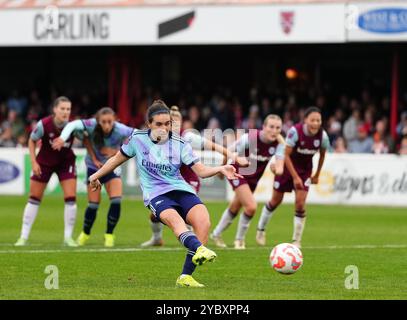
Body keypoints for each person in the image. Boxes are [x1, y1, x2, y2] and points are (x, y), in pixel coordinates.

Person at [88, 100, 242, 288]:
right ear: (149, 124)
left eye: (168, 123)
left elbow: (200, 170)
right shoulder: (137, 139)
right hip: (156, 195)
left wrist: (221, 168)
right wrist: (95, 176)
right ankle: (199, 249)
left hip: (181, 189)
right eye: (159, 124)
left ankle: (185, 276)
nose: (164, 128)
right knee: (177, 223)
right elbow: (115, 160)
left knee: (204, 222)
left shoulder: (180, 143)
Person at [141, 106, 247, 247]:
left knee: (185, 213)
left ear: (181, 122)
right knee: (156, 215)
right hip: (167, 183)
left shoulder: (187, 137)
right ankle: (157, 238)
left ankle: (196, 245)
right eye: (170, 121)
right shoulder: (156, 139)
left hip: (189, 179)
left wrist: (232, 155)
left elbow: (213, 146)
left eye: (176, 120)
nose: (173, 124)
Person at [52, 107, 134, 247]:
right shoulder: (91, 125)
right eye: (104, 122)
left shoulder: (120, 129)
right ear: (98, 121)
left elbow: (138, 135)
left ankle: (109, 234)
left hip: (111, 167)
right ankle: (85, 233)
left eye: (110, 122)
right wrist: (62, 138)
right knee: (93, 205)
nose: (107, 125)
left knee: (116, 201)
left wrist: (117, 150)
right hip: (93, 168)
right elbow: (72, 125)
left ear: (114, 120)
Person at [256, 107, 329, 248]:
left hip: (305, 172)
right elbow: (286, 155)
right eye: (312, 120)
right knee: (275, 201)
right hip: (286, 169)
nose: (315, 123)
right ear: (305, 120)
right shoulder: (295, 132)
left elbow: (322, 155)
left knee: (300, 204)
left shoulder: (323, 136)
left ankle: (296, 240)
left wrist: (317, 174)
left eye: (318, 120)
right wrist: (295, 177)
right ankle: (261, 229)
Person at [210, 115, 285, 249]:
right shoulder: (250, 138)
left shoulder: (279, 144)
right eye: (271, 127)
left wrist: (275, 170)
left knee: (235, 207)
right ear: (264, 127)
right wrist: (222, 169)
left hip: (253, 180)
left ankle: (216, 234)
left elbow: (280, 169)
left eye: (278, 128)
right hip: (237, 173)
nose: (274, 130)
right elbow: (229, 151)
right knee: (251, 207)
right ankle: (239, 240)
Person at [15, 96, 78, 247]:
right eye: (62, 108)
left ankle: (68, 238)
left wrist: (94, 156)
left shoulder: (74, 126)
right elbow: (31, 140)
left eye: (68, 109)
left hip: (66, 162)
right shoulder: (44, 125)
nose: (65, 112)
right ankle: (23, 237)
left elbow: (87, 138)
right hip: (44, 162)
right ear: (55, 109)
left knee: (71, 197)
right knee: (34, 197)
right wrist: (33, 162)